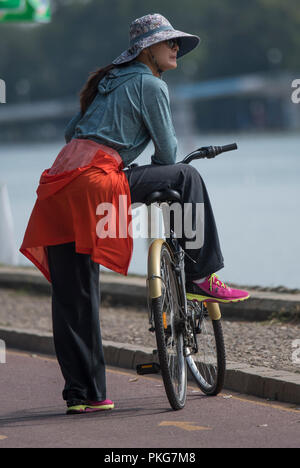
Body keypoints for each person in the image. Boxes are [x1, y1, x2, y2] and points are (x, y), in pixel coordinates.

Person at [20, 13, 249, 415]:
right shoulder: (150, 84)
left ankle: (85, 396)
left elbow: (71, 133)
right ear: (148, 50)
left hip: (57, 186)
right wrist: (124, 162)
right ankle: (202, 274)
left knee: (74, 299)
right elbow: (166, 154)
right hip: (92, 183)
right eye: (169, 43)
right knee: (186, 176)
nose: (176, 48)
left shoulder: (105, 83)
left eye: (177, 43)